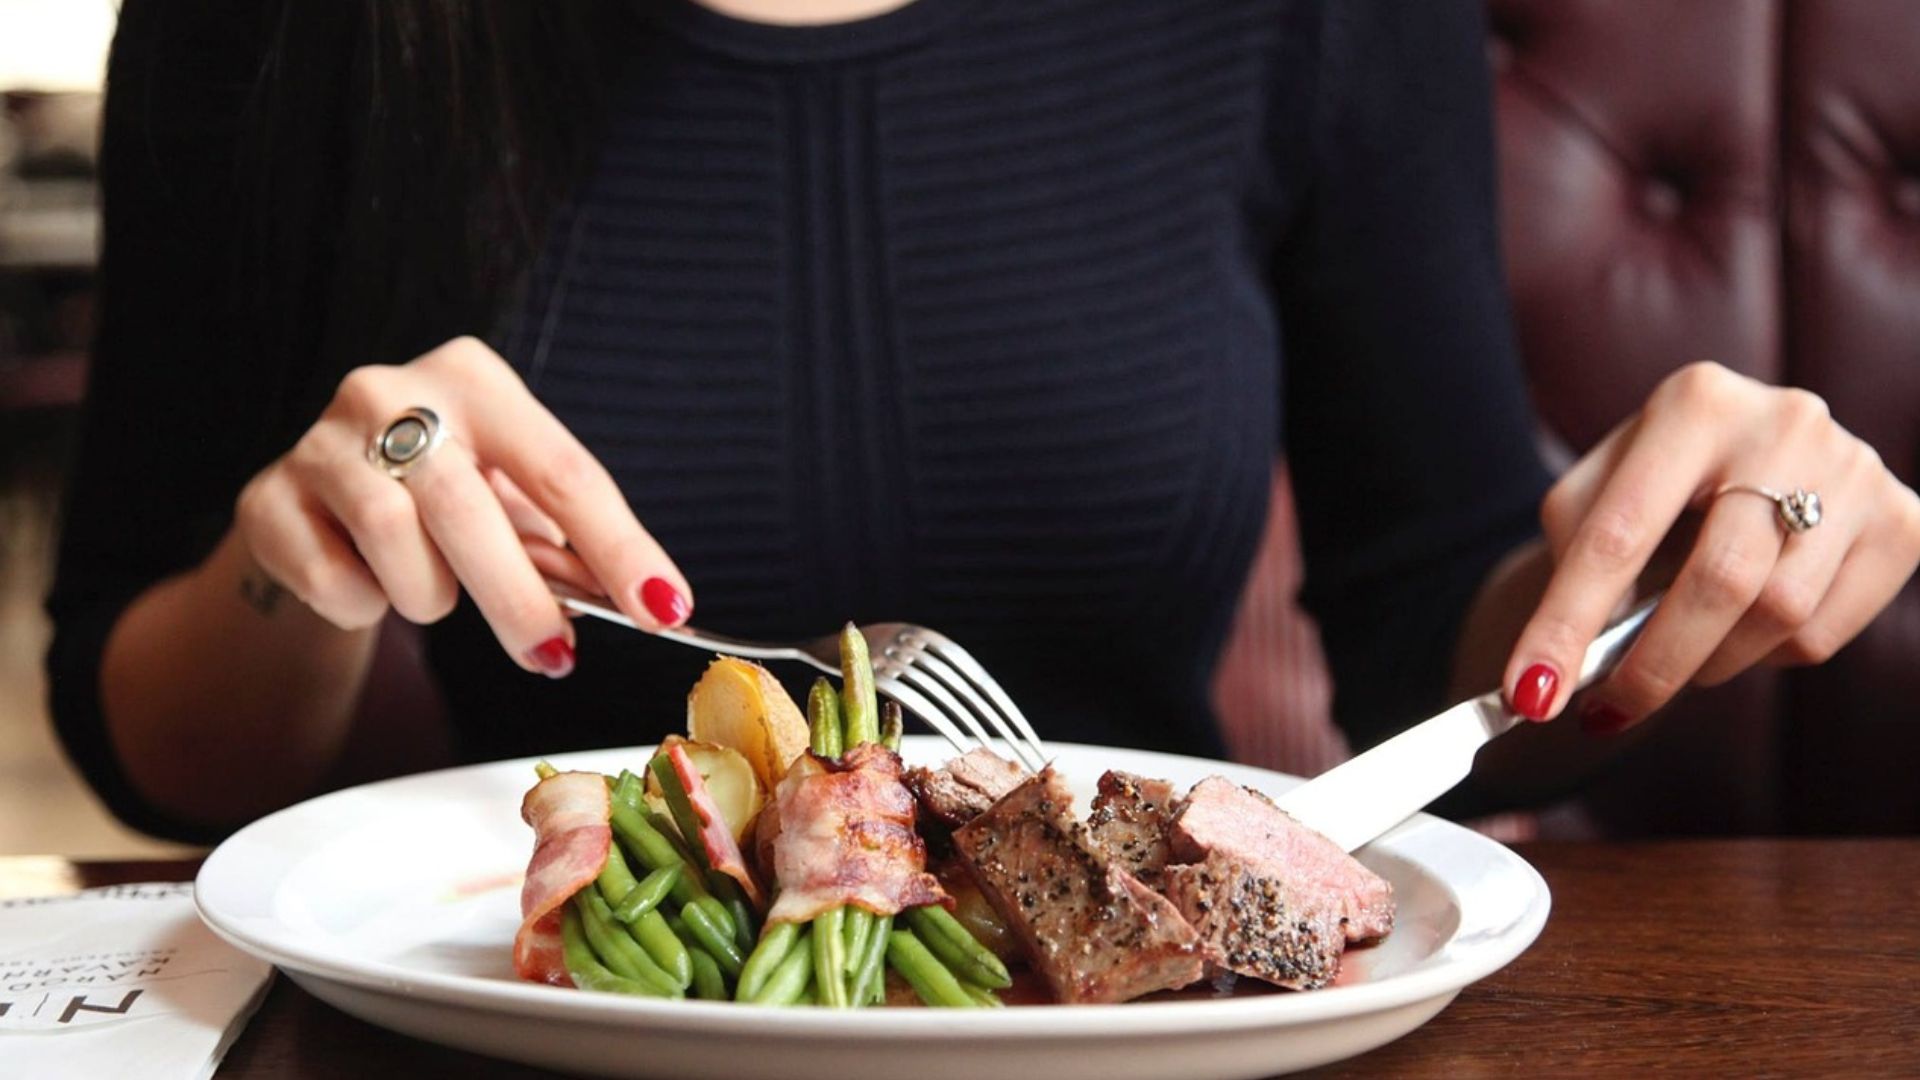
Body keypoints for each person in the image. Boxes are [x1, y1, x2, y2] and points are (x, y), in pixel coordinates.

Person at [47, 0, 1920, 842]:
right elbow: (150, 752)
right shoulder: (275, 22)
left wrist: (1635, 594)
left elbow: (1437, 635)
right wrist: (304, 570)